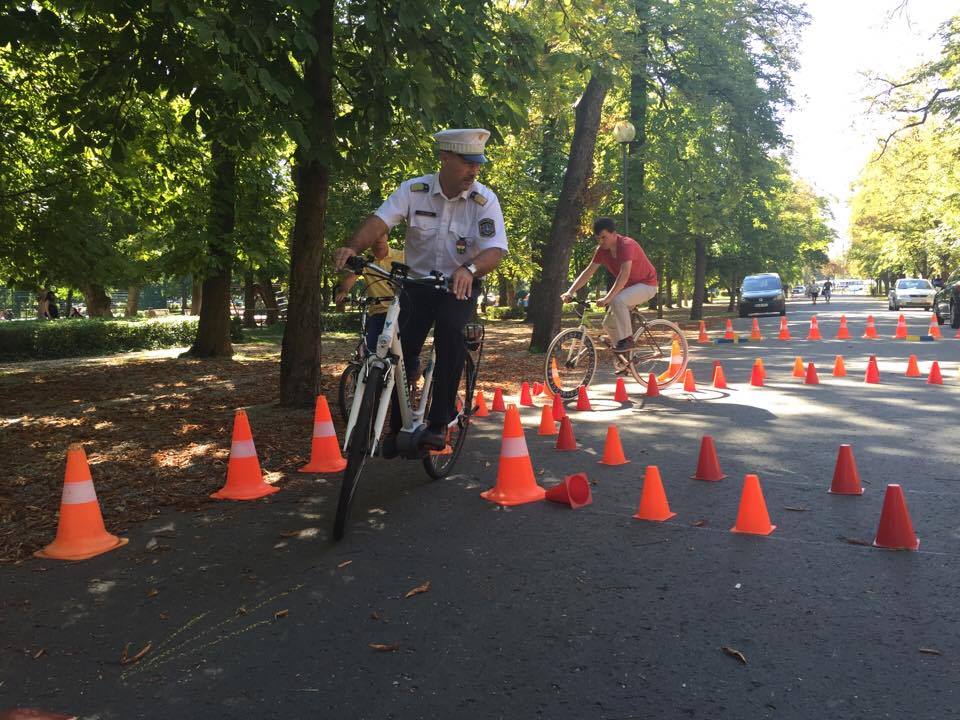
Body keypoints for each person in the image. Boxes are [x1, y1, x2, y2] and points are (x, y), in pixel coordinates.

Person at [333, 128, 507, 454]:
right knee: (400, 351)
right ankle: (398, 428)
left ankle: (440, 423)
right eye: (467, 162)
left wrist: (469, 269)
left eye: (477, 164)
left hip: (459, 285)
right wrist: (352, 247)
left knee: (450, 335)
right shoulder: (414, 191)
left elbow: (495, 249)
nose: (474, 170)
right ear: (445, 158)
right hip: (416, 284)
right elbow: (380, 221)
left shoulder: (484, 200)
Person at [560, 217, 658, 353]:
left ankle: (627, 340)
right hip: (630, 289)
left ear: (614, 234)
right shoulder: (602, 251)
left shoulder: (627, 245)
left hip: (647, 285)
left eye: (603, 237)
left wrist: (607, 298)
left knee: (617, 300)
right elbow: (588, 272)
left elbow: (624, 275)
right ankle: (624, 356)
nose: (601, 241)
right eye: (598, 238)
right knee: (608, 324)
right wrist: (570, 291)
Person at [334, 236, 406, 354]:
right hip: (377, 313)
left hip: (401, 312)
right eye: (375, 235)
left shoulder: (402, 256)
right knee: (370, 353)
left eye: (382, 234)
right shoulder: (365, 261)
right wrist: (343, 292)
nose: (378, 238)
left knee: (408, 355)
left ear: (387, 235)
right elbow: (349, 280)